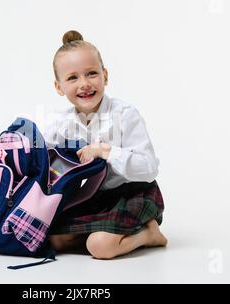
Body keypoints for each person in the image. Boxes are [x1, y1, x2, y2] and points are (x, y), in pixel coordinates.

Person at [44, 30, 168, 260]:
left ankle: (148, 234)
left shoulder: (125, 114)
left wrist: (106, 151)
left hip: (131, 193)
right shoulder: (59, 123)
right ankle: (98, 233)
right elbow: (47, 163)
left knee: (101, 247)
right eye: (72, 78)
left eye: (92, 73)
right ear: (59, 87)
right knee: (53, 240)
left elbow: (149, 168)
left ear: (105, 75)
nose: (84, 84)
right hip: (94, 199)